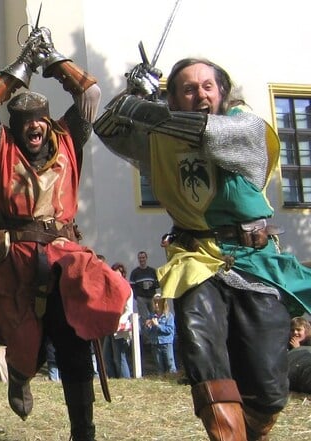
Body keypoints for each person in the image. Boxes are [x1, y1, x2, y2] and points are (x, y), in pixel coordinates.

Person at [94, 57, 311, 440]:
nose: (200, 95)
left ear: (223, 92)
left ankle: (256, 423)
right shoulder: (160, 138)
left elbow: (209, 133)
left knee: (268, 388)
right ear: (174, 98)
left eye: (207, 87)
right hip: (197, 260)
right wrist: (130, 90)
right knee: (202, 352)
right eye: (189, 89)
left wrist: (144, 108)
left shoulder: (245, 127)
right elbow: (107, 127)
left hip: (253, 261)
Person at [0, 24, 131, 440]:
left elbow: (90, 95)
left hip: (65, 260)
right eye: (25, 121)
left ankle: (84, 431)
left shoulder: (67, 140)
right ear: (17, 124)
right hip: (15, 260)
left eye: (39, 120)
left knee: (75, 341)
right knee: (29, 347)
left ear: (47, 122)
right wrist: (23, 64)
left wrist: (53, 58)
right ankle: (20, 375)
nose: (34, 127)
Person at [104, 263, 133, 379]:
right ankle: (112, 378)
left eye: (118, 274)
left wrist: (119, 321)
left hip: (121, 328)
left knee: (119, 357)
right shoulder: (111, 289)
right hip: (110, 326)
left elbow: (129, 309)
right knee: (106, 355)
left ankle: (125, 379)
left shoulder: (127, 288)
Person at [144, 295, 176, 375]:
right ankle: (161, 379)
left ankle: (173, 379)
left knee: (170, 364)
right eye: (155, 303)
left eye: (158, 303)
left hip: (166, 343)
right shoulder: (151, 316)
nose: (157, 305)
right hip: (155, 343)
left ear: (163, 304)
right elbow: (148, 333)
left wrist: (158, 325)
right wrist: (147, 327)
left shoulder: (168, 316)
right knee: (159, 366)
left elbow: (170, 330)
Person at [129, 251, 159, 324]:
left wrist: (152, 284)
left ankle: (154, 334)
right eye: (140, 258)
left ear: (146, 258)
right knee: (144, 318)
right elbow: (131, 286)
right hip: (141, 298)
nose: (141, 260)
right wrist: (136, 297)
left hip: (152, 297)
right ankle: (145, 335)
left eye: (143, 258)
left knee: (154, 316)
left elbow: (158, 284)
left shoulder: (152, 271)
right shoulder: (135, 272)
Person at [287, 317, 311, 394]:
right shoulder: (287, 342)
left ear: (306, 331)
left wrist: (297, 349)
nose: (295, 332)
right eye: (292, 330)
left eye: (298, 330)